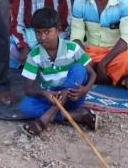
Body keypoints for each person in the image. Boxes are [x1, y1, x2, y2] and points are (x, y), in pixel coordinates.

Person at [19, 8, 97, 136]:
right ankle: (79, 117)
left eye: (47, 32)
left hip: (73, 97)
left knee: (78, 69)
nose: (42, 37)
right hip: (51, 98)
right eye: (38, 33)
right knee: (25, 107)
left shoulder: (73, 48)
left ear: (58, 30)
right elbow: (28, 89)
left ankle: (44, 120)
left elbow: (93, 74)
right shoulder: (34, 55)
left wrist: (84, 90)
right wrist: (44, 93)